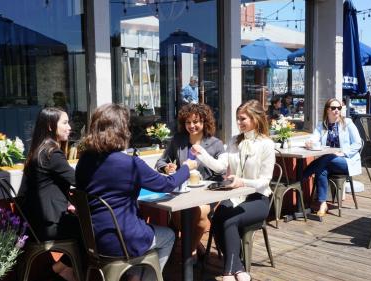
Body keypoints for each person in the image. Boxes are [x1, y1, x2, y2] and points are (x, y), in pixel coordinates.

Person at [75, 103, 198, 280]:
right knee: (169, 236)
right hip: (123, 239)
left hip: (93, 239)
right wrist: (186, 169)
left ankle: (132, 276)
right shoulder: (130, 164)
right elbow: (167, 185)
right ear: (122, 129)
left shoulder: (84, 159)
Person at [191, 99, 275, 281]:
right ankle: (239, 267)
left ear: (256, 119)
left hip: (258, 199)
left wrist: (241, 181)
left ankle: (229, 270)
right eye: (238, 119)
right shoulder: (234, 141)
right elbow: (221, 167)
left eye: (243, 119)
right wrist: (202, 154)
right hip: (234, 196)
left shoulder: (267, 145)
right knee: (218, 216)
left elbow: (264, 182)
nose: (239, 123)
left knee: (228, 219)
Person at [155, 103, 224, 260]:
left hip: (208, 193)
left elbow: (222, 173)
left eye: (196, 122)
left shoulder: (215, 144)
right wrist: (167, 168)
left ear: (205, 122)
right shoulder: (178, 140)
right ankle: (195, 244)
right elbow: (160, 162)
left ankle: (190, 250)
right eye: (188, 122)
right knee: (178, 212)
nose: (192, 126)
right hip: (183, 190)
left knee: (200, 213)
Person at [19, 107, 78, 281]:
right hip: (47, 225)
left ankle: (58, 269)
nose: (69, 127)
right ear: (51, 127)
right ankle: (63, 271)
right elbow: (79, 181)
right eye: (65, 123)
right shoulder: (52, 154)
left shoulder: (39, 151)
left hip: (34, 223)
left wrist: (67, 204)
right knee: (92, 229)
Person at [303, 98, 362, 216]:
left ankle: (303, 176)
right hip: (329, 162)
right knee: (321, 169)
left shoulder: (347, 123)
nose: (336, 110)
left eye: (339, 108)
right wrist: (309, 142)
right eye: (333, 108)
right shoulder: (322, 125)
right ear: (327, 110)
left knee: (325, 159)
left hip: (347, 161)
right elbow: (314, 138)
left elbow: (358, 143)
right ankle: (323, 203)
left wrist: (343, 152)